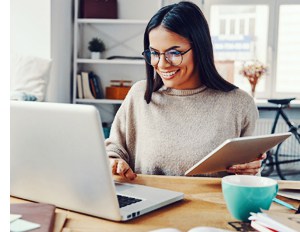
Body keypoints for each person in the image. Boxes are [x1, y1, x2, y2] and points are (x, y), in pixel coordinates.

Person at [105, 1, 265, 181]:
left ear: (199, 49)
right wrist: (114, 161)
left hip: (211, 206)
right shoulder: (139, 95)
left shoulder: (239, 104)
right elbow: (113, 150)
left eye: (174, 53)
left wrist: (251, 169)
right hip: (150, 204)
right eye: (155, 53)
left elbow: (249, 177)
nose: (162, 64)